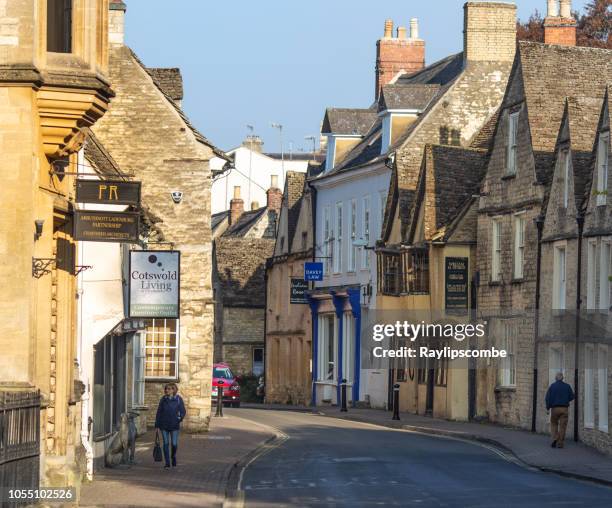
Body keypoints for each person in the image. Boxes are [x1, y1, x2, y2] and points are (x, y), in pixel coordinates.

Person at [155, 383, 186, 468]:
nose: (166, 390)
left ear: (173, 390)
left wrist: (179, 419)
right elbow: (159, 412)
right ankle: (167, 463)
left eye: (168, 389)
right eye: (166, 389)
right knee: (165, 443)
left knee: (174, 444)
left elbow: (183, 411)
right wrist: (157, 425)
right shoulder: (163, 399)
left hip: (174, 425)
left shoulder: (178, 399)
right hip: (163, 425)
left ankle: (173, 457)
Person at [545, 372, 574, 449]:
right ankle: (560, 443)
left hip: (555, 409)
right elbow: (571, 396)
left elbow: (548, 398)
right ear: (563, 378)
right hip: (564, 409)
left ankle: (555, 438)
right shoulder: (567, 386)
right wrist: (565, 399)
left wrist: (548, 408)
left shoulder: (552, 386)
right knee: (563, 426)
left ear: (555, 378)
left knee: (554, 424)